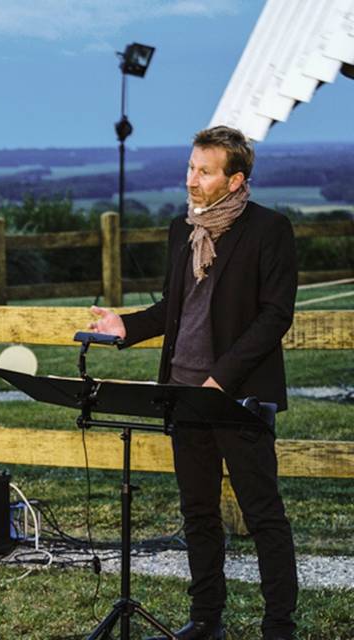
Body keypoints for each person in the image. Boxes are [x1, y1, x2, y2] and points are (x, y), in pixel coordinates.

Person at [89, 126, 298, 640]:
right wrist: (126, 327)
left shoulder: (270, 230)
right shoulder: (180, 231)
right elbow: (172, 308)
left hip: (239, 398)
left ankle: (279, 627)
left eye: (204, 172)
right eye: (190, 168)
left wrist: (219, 380)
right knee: (198, 514)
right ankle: (206, 620)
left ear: (234, 180)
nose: (192, 180)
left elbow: (275, 317)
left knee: (263, 514)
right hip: (183, 395)